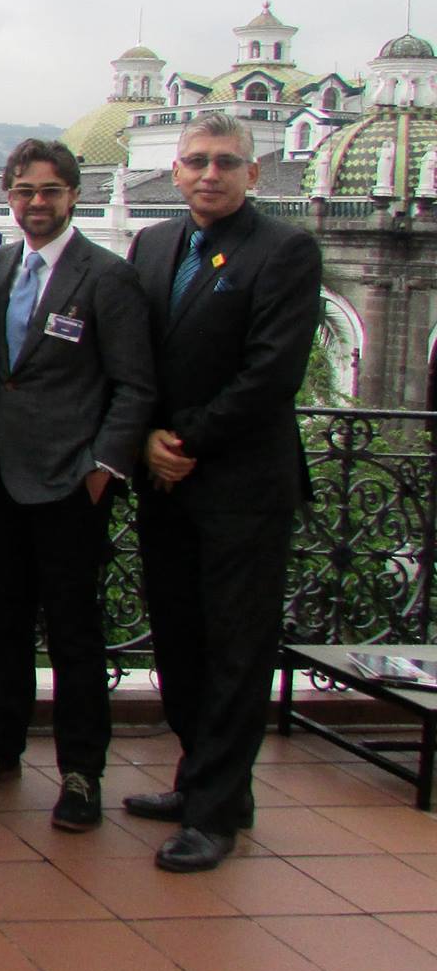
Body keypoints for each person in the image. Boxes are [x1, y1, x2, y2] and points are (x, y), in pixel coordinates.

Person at [124, 112, 321, 872]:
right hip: (165, 480)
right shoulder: (152, 245)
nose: (211, 173)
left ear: (253, 173)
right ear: (176, 171)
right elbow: (135, 355)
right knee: (179, 637)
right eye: (198, 161)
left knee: (237, 649)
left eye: (227, 162)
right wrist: (146, 438)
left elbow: (273, 371)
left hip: (242, 486)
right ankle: (204, 779)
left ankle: (214, 814)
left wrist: (186, 441)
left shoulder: (284, 250)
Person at [0, 141, 155, 830]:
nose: (37, 202)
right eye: (25, 190)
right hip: (0, 474)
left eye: (51, 190)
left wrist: (103, 467)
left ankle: (81, 772)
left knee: (73, 632)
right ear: (9, 196)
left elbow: (135, 383)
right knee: (3, 620)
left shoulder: (107, 276)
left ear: (74, 196)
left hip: (69, 483)